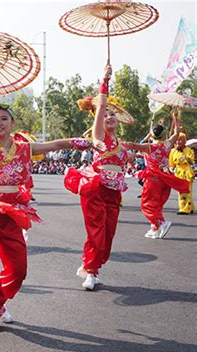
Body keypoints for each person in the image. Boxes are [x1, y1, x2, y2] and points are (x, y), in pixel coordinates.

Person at [0, 64, 92, 333]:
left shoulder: (25, 149)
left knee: (18, 270)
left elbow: (58, 144)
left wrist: (84, 142)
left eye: (4, 119)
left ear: (13, 123)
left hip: (11, 213)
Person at [64, 65, 133, 291]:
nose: (110, 116)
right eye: (106, 114)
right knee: (96, 233)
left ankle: (92, 266)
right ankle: (91, 271)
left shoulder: (122, 146)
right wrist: (105, 80)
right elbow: (101, 105)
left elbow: (140, 152)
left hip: (114, 193)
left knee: (108, 234)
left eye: (113, 114)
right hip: (96, 188)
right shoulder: (99, 137)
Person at [123, 111, 189, 238]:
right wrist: (175, 119)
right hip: (166, 178)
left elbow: (132, 145)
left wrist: (117, 143)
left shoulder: (149, 147)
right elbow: (176, 133)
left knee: (146, 204)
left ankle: (161, 222)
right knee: (157, 204)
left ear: (152, 135)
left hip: (153, 178)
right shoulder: (168, 145)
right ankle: (154, 228)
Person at [170, 133, 195, 214]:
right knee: (181, 191)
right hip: (178, 173)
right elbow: (171, 164)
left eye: (180, 140)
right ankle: (190, 207)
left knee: (187, 191)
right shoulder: (173, 151)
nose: (178, 142)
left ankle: (185, 209)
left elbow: (192, 162)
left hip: (187, 172)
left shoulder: (189, 150)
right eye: (177, 140)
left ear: (184, 141)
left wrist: (187, 158)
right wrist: (170, 170)